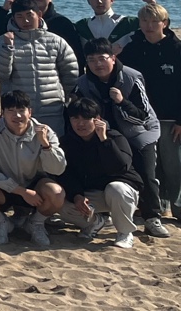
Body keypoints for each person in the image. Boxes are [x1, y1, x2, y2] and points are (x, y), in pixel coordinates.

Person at [73, 39, 167, 237]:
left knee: (146, 173)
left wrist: (122, 102)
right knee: (101, 170)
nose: (97, 64)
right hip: (104, 134)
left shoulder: (132, 77)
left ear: (113, 58)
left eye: (102, 58)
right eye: (91, 60)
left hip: (138, 133)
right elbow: (81, 111)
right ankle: (104, 213)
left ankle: (152, 217)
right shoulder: (83, 83)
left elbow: (142, 116)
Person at [0, 90, 67, 246]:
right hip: (4, 186)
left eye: (21, 110)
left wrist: (45, 145)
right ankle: (1, 222)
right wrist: (21, 191)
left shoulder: (44, 131)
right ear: (2, 113)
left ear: (30, 112)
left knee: (56, 193)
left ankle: (35, 223)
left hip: (34, 185)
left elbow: (57, 169)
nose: (17, 116)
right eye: (11, 111)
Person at [119, 2, 181, 218]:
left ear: (165, 23)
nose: (149, 25)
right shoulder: (133, 49)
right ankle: (158, 207)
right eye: (144, 21)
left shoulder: (176, 49)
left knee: (173, 166)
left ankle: (178, 208)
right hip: (142, 118)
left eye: (154, 21)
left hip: (171, 119)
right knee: (151, 167)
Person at [57, 97, 143, 248]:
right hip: (92, 194)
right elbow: (66, 174)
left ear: (97, 119)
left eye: (86, 118)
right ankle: (96, 222)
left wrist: (104, 140)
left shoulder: (114, 137)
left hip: (120, 192)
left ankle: (125, 232)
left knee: (116, 189)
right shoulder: (67, 142)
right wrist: (77, 195)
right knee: (61, 203)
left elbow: (120, 168)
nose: (80, 123)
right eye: (75, 118)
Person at [0, 0, 79, 134]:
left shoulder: (56, 41)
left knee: (52, 146)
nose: (25, 20)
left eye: (29, 15)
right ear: (13, 18)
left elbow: (70, 73)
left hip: (52, 111)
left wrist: (61, 96)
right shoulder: (3, 42)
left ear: (39, 14)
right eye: (19, 16)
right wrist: (7, 49)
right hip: (17, 112)